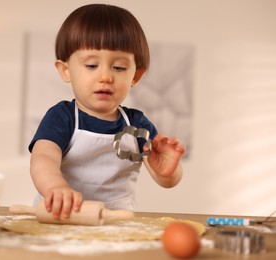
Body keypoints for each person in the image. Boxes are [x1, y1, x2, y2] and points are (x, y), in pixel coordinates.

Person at [28, 4, 185, 219]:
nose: (106, 77)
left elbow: (166, 181)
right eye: (92, 65)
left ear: (135, 76)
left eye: (119, 68)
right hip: (61, 219)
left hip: (116, 226)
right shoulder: (62, 117)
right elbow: (43, 158)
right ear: (66, 71)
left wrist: (169, 171)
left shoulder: (137, 124)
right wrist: (55, 187)